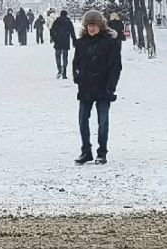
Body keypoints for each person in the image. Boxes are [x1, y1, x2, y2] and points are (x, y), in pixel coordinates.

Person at [72, 10, 122, 165]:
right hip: (86, 87)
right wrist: (78, 78)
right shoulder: (81, 43)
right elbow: (76, 63)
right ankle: (86, 151)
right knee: (82, 120)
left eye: (94, 25)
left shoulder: (110, 43)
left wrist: (110, 87)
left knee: (103, 121)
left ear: (100, 25)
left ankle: (102, 152)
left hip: (103, 88)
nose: (91, 28)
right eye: (88, 25)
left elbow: (115, 67)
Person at [50, 10, 74, 80]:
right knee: (65, 57)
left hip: (58, 41)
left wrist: (54, 38)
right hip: (66, 41)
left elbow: (52, 30)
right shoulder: (68, 22)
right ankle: (64, 72)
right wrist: (74, 41)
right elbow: (72, 32)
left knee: (58, 56)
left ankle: (59, 69)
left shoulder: (57, 21)